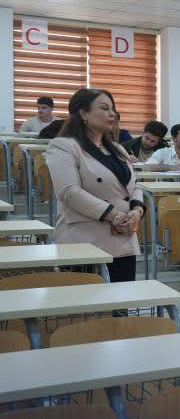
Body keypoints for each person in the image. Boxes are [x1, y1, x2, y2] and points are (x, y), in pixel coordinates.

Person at [45, 88, 146, 283]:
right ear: (83, 113)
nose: (112, 114)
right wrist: (114, 215)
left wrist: (136, 213)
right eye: (105, 108)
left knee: (121, 300)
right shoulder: (63, 145)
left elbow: (134, 186)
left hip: (123, 240)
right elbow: (69, 192)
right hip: (85, 240)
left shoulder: (117, 149)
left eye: (113, 109)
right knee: (86, 302)